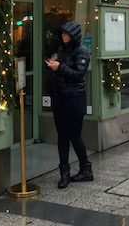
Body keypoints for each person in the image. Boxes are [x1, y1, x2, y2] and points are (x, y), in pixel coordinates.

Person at [46, 21, 92, 189]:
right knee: (62, 136)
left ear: (74, 35)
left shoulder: (82, 52)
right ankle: (64, 173)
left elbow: (78, 74)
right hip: (60, 98)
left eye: (67, 34)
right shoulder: (61, 50)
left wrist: (59, 67)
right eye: (63, 33)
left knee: (74, 135)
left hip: (74, 99)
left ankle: (85, 168)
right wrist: (54, 64)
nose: (64, 36)